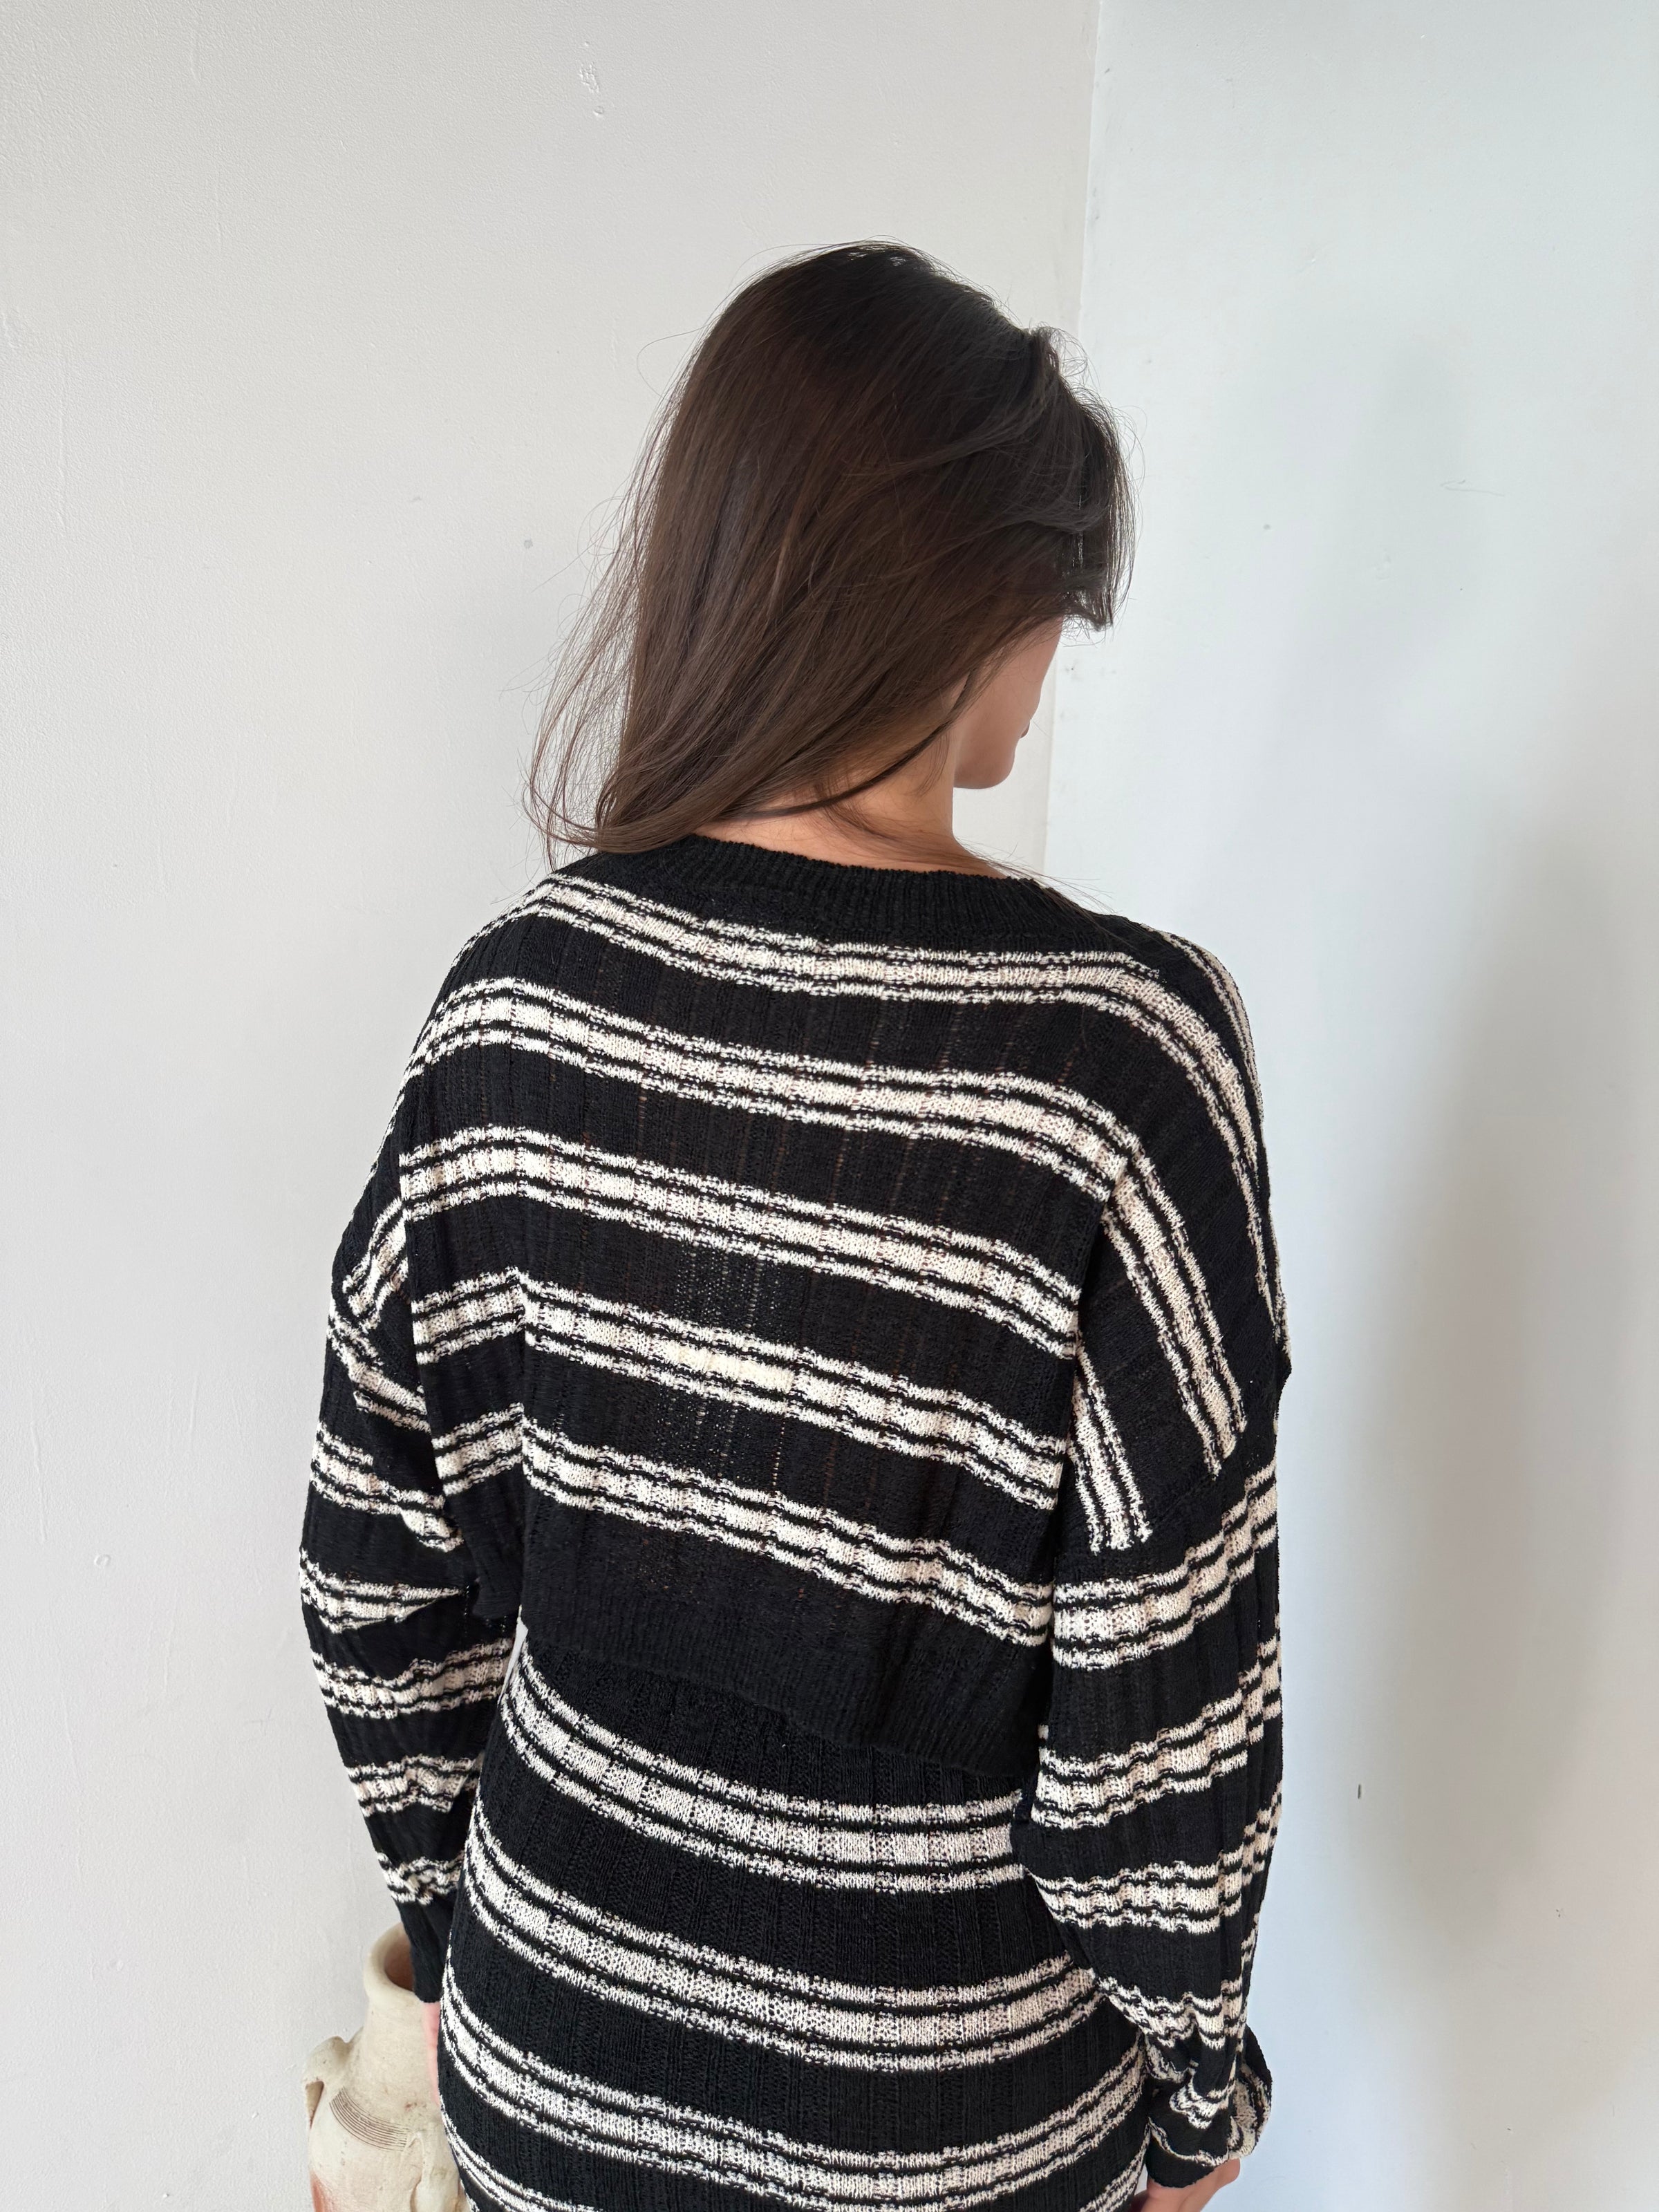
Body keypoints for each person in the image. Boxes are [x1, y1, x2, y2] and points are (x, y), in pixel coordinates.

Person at [300, 241, 1288, 2212]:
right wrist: (1200, 2106)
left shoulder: (517, 1003)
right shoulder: (1120, 1063)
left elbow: (373, 1565)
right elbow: (1161, 1737)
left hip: (546, 2067)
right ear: (974, 599)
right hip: (943, 2127)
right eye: (1059, 603)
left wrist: (492, 1928)